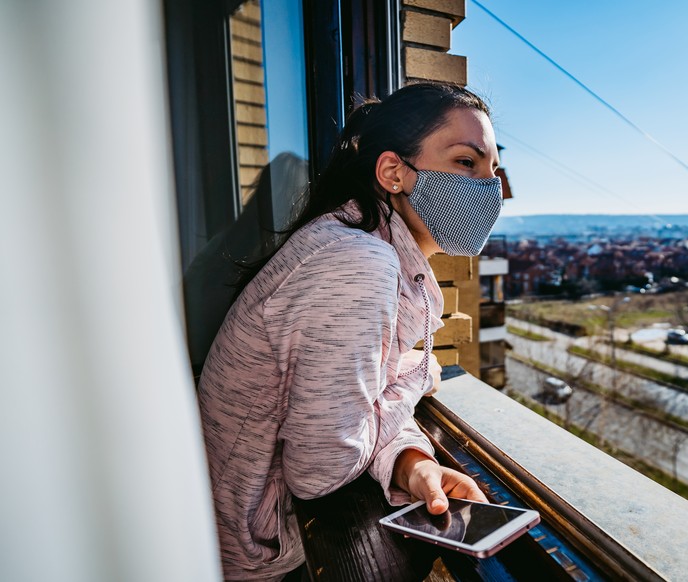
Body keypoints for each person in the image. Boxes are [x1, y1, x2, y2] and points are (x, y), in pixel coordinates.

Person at [196, 81, 504, 581]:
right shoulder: (357, 263)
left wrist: (408, 462)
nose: (490, 189)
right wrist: (418, 375)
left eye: (494, 170)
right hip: (248, 560)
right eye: (466, 163)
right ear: (393, 172)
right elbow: (321, 468)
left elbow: (360, 402)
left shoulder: (361, 247)